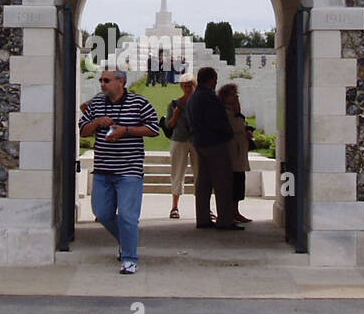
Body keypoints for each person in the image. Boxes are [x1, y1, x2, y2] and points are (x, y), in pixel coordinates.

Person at [78, 69, 160, 273]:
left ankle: (130, 258)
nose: (102, 84)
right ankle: (126, 240)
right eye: (101, 80)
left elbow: (154, 128)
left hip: (128, 170)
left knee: (127, 216)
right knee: (102, 213)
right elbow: (82, 129)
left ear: (121, 82)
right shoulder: (97, 104)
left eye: (107, 80)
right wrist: (97, 122)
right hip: (103, 169)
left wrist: (127, 130)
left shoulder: (139, 103)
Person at [185, 66, 242, 230]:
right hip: (214, 142)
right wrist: (228, 133)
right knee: (223, 182)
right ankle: (225, 220)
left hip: (199, 142)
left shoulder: (194, 97)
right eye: (215, 79)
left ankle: (203, 218)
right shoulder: (209, 97)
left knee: (204, 182)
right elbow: (216, 120)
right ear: (212, 80)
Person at [218, 82, 253, 223]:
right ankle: (231, 212)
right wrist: (238, 112)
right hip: (232, 152)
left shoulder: (232, 111)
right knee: (234, 183)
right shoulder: (226, 112)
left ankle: (235, 211)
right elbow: (236, 126)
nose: (236, 97)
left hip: (239, 152)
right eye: (233, 95)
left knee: (239, 183)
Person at [165, 72, 198, 219]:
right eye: (185, 86)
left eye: (190, 85)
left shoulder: (199, 104)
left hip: (197, 141)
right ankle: (174, 206)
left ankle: (203, 207)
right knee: (177, 173)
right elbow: (169, 125)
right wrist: (176, 115)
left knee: (201, 174)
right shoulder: (174, 104)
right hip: (179, 140)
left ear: (195, 86)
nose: (188, 88)